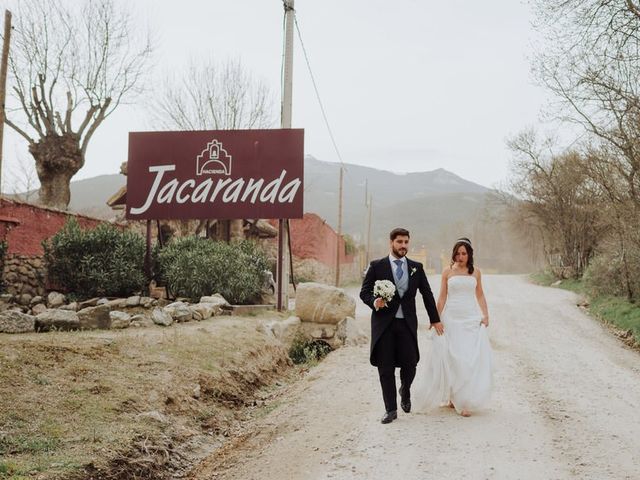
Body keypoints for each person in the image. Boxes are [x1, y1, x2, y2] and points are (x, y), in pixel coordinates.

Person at [360, 227, 443, 424]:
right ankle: (390, 409)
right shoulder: (377, 266)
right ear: (391, 243)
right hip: (384, 324)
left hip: (407, 323)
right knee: (385, 367)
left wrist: (435, 319)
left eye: (406, 242)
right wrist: (374, 301)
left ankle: (405, 389)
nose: (403, 245)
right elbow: (364, 292)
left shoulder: (416, 267)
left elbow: (427, 294)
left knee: (410, 364)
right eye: (399, 242)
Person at [414, 237, 493, 417]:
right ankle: (453, 397)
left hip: (470, 318)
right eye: (457, 253)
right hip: (451, 318)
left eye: (464, 253)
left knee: (467, 358)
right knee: (452, 357)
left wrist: (485, 315)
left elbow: (480, 295)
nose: (460, 256)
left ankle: (464, 401)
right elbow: (442, 297)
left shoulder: (476, 272)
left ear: (469, 254)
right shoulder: (447, 272)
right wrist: (435, 319)